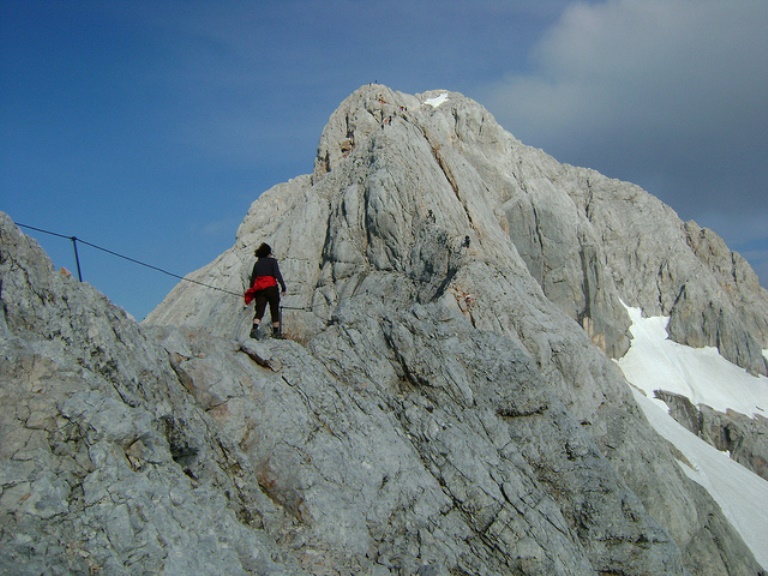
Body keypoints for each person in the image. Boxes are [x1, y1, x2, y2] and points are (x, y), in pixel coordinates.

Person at [244, 243, 286, 339]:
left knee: (260, 311)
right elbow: (277, 274)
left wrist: (252, 292)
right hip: (271, 288)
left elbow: (253, 279)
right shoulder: (272, 261)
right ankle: (276, 333)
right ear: (268, 253)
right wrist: (283, 287)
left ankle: (254, 329)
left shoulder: (257, 264)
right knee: (274, 309)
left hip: (259, 289)